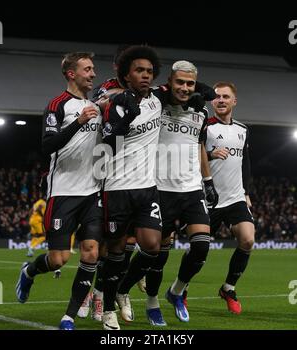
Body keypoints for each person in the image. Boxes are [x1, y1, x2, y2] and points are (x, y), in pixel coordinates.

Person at [15, 52, 104, 330]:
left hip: (92, 192)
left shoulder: (96, 107)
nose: (92, 74)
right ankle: (29, 270)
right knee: (59, 260)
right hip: (63, 191)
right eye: (87, 69)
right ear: (71, 74)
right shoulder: (57, 105)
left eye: (93, 69)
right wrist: (78, 123)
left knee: (91, 253)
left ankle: (69, 315)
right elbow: (48, 146)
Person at [144, 60, 217, 325]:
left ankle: (176, 291)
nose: (185, 88)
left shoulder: (201, 113)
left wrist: (208, 182)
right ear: (170, 82)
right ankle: (151, 302)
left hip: (191, 188)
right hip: (161, 189)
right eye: (180, 82)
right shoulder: (156, 104)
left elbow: (199, 147)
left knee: (201, 247)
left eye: (190, 84)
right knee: (157, 255)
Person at [100, 45, 165, 330]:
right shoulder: (114, 103)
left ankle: (122, 291)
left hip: (147, 187)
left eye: (149, 71)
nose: (145, 76)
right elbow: (110, 140)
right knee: (114, 253)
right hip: (117, 187)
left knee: (152, 246)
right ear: (126, 75)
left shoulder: (158, 101)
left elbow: (185, 83)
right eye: (139, 70)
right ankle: (107, 309)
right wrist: (122, 110)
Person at [205, 81, 255, 314]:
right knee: (198, 250)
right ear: (212, 101)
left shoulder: (242, 130)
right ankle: (180, 290)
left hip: (235, 198)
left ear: (234, 101)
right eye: (217, 97)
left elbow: (245, 164)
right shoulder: (204, 127)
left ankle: (228, 288)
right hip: (210, 199)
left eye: (226, 96)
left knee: (247, 240)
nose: (221, 100)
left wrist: (246, 193)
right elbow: (189, 157)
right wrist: (210, 154)